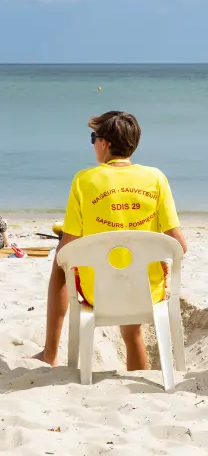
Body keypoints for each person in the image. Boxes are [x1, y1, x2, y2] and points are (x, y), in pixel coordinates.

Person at [34, 111, 187, 371]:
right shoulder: (156, 178)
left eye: (93, 138)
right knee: (132, 329)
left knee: (59, 267)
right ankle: (142, 373)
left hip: (97, 292)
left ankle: (50, 353)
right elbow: (179, 245)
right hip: (147, 291)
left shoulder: (84, 180)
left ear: (104, 143)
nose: (93, 143)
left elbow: (66, 250)